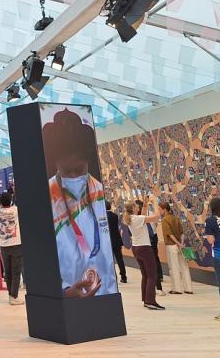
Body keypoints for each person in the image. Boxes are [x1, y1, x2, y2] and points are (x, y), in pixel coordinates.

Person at [43, 109, 118, 298]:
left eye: (79, 169)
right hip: (67, 297)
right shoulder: (47, 197)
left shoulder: (99, 192)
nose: (75, 176)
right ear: (56, 166)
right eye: (67, 171)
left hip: (106, 293)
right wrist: (63, 293)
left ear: (88, 163)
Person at [124, 199, 164, 310]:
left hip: (136, 248)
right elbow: (156, 217)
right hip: (145, 248)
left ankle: (146, 300)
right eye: (137, 206)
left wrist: (145, 205)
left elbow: (142, 217)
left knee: (145, 275)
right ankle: (150, 301)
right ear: (133, 208)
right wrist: (155, 203)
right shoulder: (136, 219)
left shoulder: (132, 218)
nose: (138, 207)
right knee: (152, 275)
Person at [160, 202, 193, 295]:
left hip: (171, 246)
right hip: (180, 246)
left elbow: (170, 235)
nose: (160, 211)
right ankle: (188, 288)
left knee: (173, 267)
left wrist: (177, 243)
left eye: (160, 209)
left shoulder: (165, 220)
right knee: (184, 267)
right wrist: (181, 244)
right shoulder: (177, 219)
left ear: (165, 210)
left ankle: (177, 289)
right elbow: (182, 233)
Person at [0, 193, 23, 305]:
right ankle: (14, 296)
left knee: (8, 272)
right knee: (16, 272)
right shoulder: (15, 210)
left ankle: (10, 295)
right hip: (16, 243)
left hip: (3, 244)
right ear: (11, 200)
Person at [106, 201, 127, 284]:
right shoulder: (115, 216)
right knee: (120, 259)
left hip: (108, 242)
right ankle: (124, 277)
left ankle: (112, 278)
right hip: (117, 241)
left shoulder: (103, 217)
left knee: (109, 260)